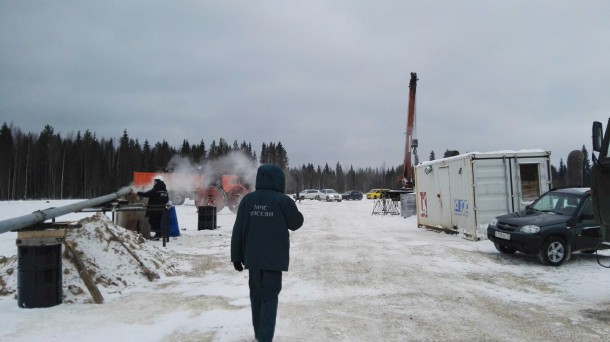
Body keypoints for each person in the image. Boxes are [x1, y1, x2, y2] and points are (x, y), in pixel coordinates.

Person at [231, 164, 304, 342]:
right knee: (269, 297)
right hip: (274, 259)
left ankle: (259, 334)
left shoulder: (248, 200)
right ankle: (265, 338)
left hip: (253, 258)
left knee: (256, 296)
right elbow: (296, 223)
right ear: (279, 180)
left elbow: (238, 230)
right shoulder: (282, 200)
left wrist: (236, 256)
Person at [137, 175, 169, 240]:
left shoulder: (156, 188)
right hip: (161, 209)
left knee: (152, 221)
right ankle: (158, 235)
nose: (154, 182)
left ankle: (159, 234)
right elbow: (166, 199)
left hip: (154, 209)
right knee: (157, 222)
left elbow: (148, 194)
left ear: (158, 181)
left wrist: (138, 193)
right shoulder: (165, 190)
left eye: (155, 181)